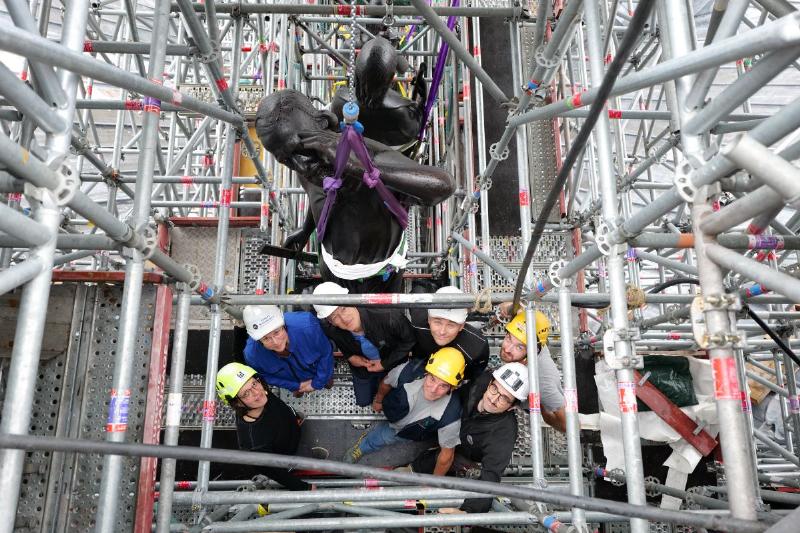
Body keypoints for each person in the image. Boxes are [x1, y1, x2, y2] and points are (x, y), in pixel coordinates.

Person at [254, 89, 454, 293]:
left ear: (323, 122)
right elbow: (320, 199)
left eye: (299, 150)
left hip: (381, 274)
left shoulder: (370, 157)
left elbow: (442, 185)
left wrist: (364, 171)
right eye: (286, 159)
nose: (299, 164)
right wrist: (306, 230)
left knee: (381, 321)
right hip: (333, 268)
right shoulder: (306, 166)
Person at [410, 362, 530, 513]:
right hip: (447, 427)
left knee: (454, 464)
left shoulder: (503, 432)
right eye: (494, 389)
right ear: (490, 383)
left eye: (504, 399)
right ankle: (413, 468)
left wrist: (466, 512)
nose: (493, 399)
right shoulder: (480, 381)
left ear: (512, 406)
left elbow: (491, 477)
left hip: (463, 455)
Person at [341, 347, 465, 476]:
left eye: (443, 385)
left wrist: (433, 484)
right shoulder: (408, 371)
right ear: (427, 372)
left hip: (404, 433)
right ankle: (363, 446)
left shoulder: (451, 416)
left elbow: (446, 457)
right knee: (378, 437)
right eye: (432, 379)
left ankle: (367, 444)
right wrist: (378, 400)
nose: (433, 389)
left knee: (383, 437)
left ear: (453, 388)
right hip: (394, 412)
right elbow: (386, 383)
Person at [215, 362, 316, 490]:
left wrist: (293, 417)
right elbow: (278, 474)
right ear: (237, 403)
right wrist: (305, 488)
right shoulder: (254, 443)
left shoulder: (260, 395)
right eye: (246, 393)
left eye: (254, 383)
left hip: (290, 430)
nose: (257, 393)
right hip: (289, 458)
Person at [313, 281, 416, 406]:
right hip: (362, 368)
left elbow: (409, 340)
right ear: (331, 322)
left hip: (392, 363)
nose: (344, 319)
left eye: (343, 308)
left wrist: (385, 364)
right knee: (363, 402)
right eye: (335, 317)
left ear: (350, 300)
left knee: (393, 397)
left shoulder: (389, 317)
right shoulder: (331, 329)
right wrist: (350, 356)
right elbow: (340, 342)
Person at [330, 36, 425, 148]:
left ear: (357, 72)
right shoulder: (404, 113)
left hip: (352, 153)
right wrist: (422, 99)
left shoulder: (340, 101)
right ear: (392, 76)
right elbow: (414, 131)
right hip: (392, 155)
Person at [242, 305, 334, 396]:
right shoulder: (253, 355)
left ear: (284, 325)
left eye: (276, 332)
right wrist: (296, 386)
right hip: (293, 383)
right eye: (266, 338)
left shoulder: (307, 326)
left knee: (327, 382)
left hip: (318, 371)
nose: (276, 342)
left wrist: (317, 383)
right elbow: (266, 377)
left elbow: (325, 353)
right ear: (258, 341)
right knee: (298, 394)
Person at [499, 308, 566, 433]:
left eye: (519, 347)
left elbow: (568, 425)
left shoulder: (542, 382)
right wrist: (510, 306)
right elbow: (523, 310)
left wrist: (539, 405)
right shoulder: (533, 332)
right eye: (509, 338)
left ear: (532, 352)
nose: (507, 349)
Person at [409, 286, 489, 382]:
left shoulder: (477, 347)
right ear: (429, 319)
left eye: (451, 325)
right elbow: (418, 288)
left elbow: (473, 374)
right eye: (438, 322)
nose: (442, 332)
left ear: (461, 326)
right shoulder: (419, 322)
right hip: (420, 362)